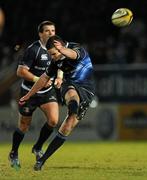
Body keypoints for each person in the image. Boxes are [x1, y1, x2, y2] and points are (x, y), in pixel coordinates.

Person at [20, 35, 95, 171]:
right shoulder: (56, 61)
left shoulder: (76, 48)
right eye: (50, 55)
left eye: (54, 54)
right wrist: (29, 94)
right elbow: (43, 78)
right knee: (71, 93)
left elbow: (73, 55)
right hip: (69, 85)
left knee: (67, 127)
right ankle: (41, 162)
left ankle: (43, 157)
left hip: (87, 89)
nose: (52, 58)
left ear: (60, 46)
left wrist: (63, 50)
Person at [8, 21, 61, 170]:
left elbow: (61, 64)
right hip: (29, 92)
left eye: (53, 30)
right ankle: (14, 153)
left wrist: (59, 78)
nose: (51, 33)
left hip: (46, 92)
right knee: (24, 126)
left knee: (53, 120)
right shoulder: (34, 50)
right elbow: (20, 72)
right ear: (40, 34)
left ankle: (37, 147)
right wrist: (39, 80)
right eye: (47, 31)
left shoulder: (58, 46)